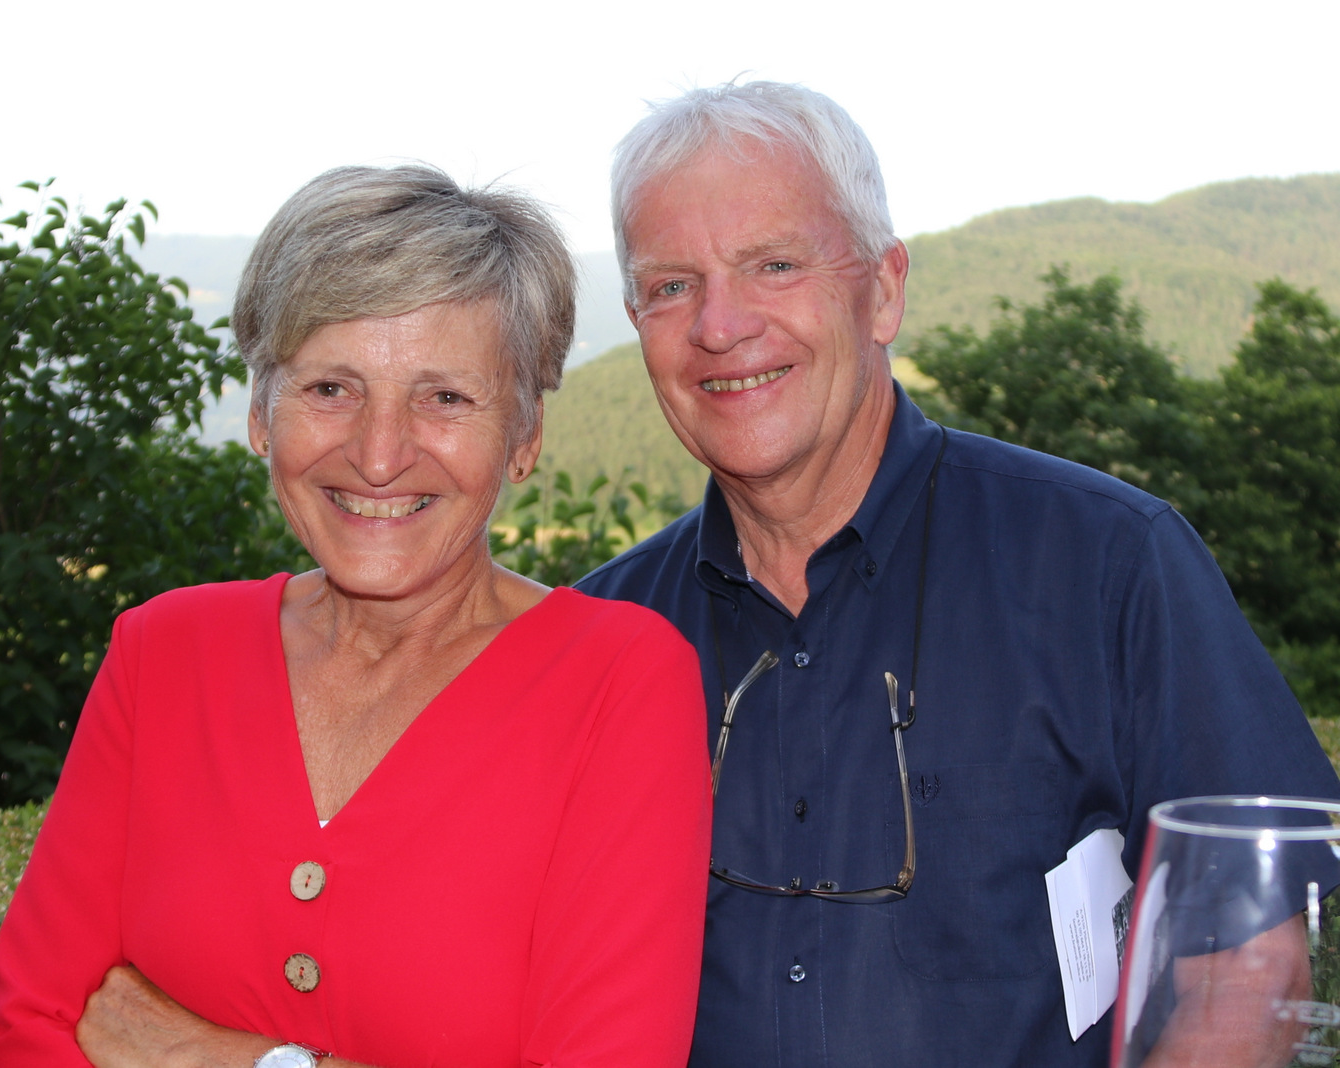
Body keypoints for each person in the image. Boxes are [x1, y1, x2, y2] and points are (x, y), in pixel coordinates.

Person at [573, 80, 1340, 1066]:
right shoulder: (597, 639)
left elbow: (1247, 966)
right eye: (672, 286)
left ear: (885, 289)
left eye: (774, 264)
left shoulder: (1107, 563)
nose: (720, 325)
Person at [0, 164, 712, 1068]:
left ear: (523, 437)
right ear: (261, 413)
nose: (378, 454)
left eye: (445, 398)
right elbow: (33, 1032)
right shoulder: (161, 654)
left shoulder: (617, 684)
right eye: (331, 388)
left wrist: (218, 1058)